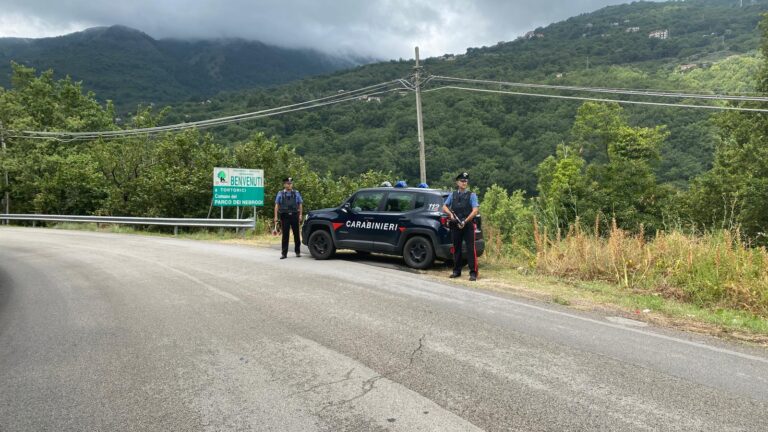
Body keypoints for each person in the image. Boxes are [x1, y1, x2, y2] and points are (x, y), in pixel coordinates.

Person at [442, 172, 480, 281]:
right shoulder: (452, 195)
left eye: (466, 181)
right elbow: (444, 206)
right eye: (462, 181)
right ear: (457, 182)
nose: (464, 183)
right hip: (455, 225)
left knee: (470, 249)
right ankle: (456, 271)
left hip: (467, 225)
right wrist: (450, 214)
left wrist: (466, 220)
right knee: (456, 248)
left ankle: (473, 273)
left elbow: (475, 210)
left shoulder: (472, 195)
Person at [274, 177, 303, 259]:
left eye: (291, 183)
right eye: (288, 183)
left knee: (296, 234)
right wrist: (275, 217)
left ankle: (297, 252)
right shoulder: (280, 193)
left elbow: (300, 204)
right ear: (284, 184)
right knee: (285, 235)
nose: (290, 185)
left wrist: (300, 215)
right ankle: (284, 253)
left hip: (294, 215)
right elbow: (276, 205)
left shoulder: (296, 193)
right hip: (285, 216)